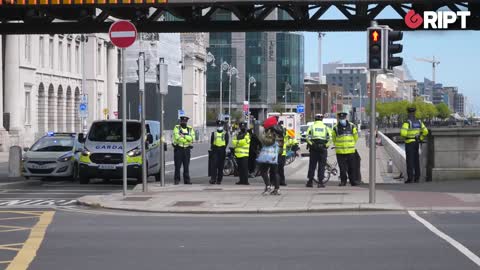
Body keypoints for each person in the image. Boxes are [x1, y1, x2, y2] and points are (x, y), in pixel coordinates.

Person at [400, 107, 428, 183]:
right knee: (416, 161)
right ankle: (417, 177)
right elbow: (425, 131)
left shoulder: (407, 123)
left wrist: (406, 135)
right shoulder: (419, 122)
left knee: (410, 161)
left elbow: (403, 133)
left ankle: (410, 178)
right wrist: (421, 138)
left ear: (408, 113)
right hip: (416, 143)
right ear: (414, 113)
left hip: (409, 143)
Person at [258, 116, 284, 195]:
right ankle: (277, 189)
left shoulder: (270, 131)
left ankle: (268, 187)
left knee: (263, 171)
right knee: (275, 172)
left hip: (268, 154)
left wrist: (262, 138)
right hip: (277, 153)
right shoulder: (280, 130)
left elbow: (268, 142)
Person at [332, 112, 359, 186]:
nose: (342, 119)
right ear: (338, 119)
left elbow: (356, 137)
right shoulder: (335, 128)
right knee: (342, 168)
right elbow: (333, 138)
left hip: (350, 151)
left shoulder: (352, 126)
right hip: (340, 151)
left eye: (343, 118)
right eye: (340, 118)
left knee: (351, 167)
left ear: (346, 118)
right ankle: (343, 181)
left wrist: (351, 144)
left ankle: (352, 181)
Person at [306, 114, 330, 188]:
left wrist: (312, 144)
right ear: (322, 119)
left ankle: (310, 182)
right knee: (322, 166)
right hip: (323, 149)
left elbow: (307, 137)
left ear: (315, 119)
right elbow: (330, 138)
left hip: (314, 149)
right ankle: (320, 182)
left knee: (312, 165)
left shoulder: (311, 127)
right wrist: (325, 145)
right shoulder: (326, 127)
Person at [172, 115, 194, 185]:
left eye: (185, 121)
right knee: (177, 166)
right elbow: (177, 137)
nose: (184, 122)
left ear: (186, 122)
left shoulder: (190, 129)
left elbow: (192, 138)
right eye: (182, 121)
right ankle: (176, 179)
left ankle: (187, 180)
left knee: (186, 166)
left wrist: (183, 136)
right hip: (179, 149)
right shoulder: (177, 128)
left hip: (187, 149)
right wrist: (187, 138)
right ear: (180, 121)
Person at [209, 120, 229, 185]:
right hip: (215, 150)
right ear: (216, 126)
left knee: (220, 166)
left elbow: (226, 142)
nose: (219, 127)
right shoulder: (214, 133)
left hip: (222, 150)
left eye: (220, 126)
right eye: (218, 126)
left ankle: (219, 180)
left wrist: (223, 148)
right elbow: (211, 142)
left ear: (222, 126)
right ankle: (213, 179)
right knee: (214, 166)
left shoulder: (225, 133)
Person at [277, 121, 287, 186]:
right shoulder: (283, 134)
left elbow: (290, 140)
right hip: (280, 154)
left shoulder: (282, 134)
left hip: (280, 154)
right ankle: (281, 181)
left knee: (278, 168)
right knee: (280, 169)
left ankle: (279, 181)